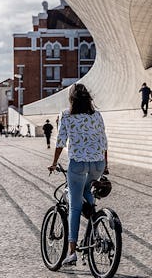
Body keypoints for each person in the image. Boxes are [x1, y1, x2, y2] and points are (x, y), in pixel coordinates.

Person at [47, 84, 108, 267]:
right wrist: (106, 166)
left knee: (74, 206)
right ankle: (95, 220)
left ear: (71, 99)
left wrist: (54, 162)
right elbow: (104, 141)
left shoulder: (66, 115)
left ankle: (71, 252)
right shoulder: (97, 115)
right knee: (87, 192)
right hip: (98, 163)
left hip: (78, 164)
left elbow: (60, 141)